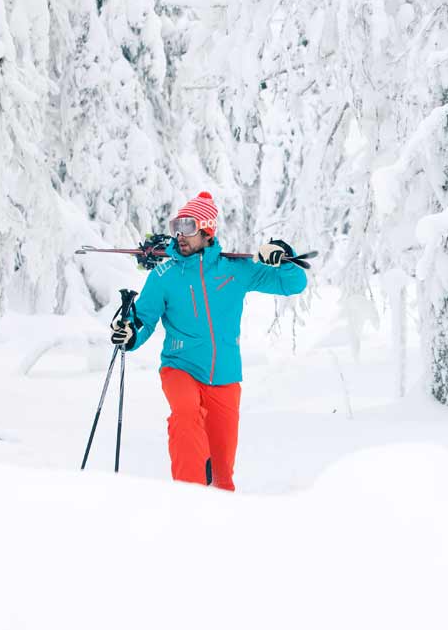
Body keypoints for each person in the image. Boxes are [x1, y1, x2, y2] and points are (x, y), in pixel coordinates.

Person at [110, 191, 307, 490]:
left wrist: (284, 258)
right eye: (177, 226)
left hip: (225, 376)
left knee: (222, 471)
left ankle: (218, 519)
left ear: (207, 230)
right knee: (186, 416)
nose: (180, 235)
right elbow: (143, 319)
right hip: (180, 367)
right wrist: (130, 333)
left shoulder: (236, 271)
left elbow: (294, 284)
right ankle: (188, 497)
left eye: (188, 227)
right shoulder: (164, 274)